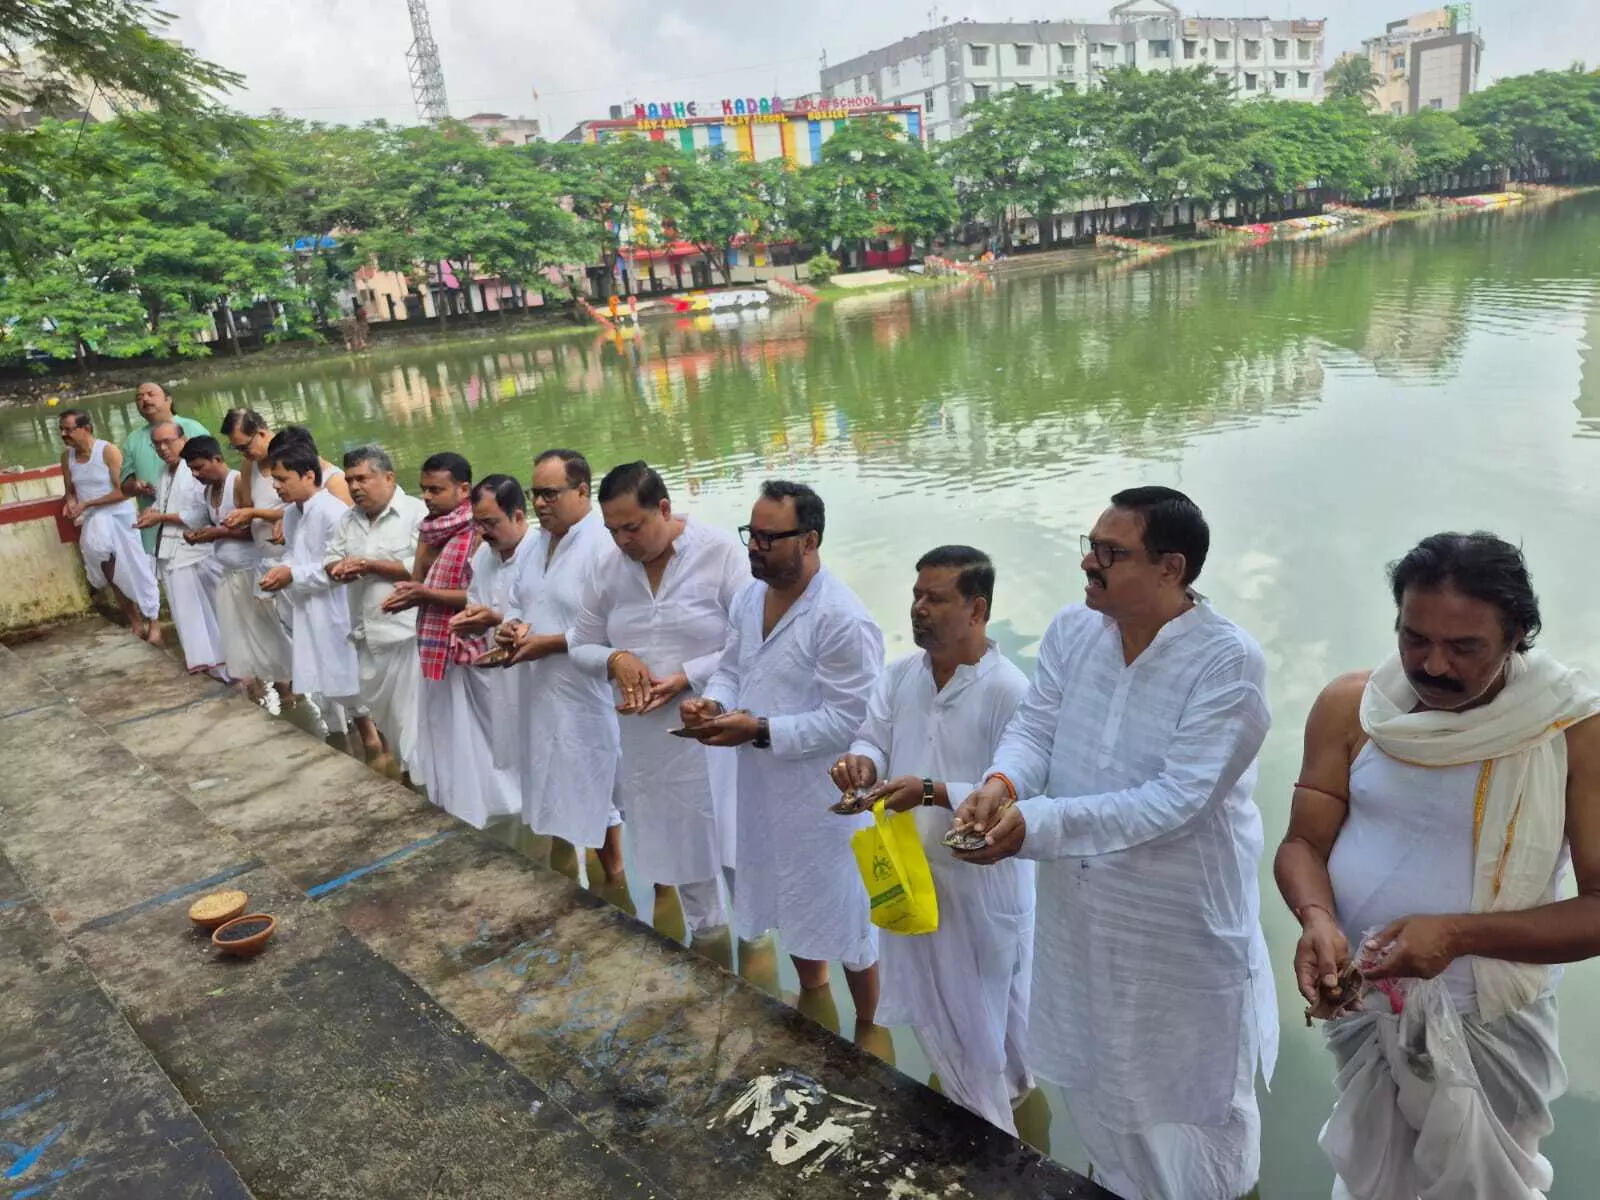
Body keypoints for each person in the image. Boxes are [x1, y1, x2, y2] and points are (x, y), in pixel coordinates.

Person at [953, 486, 1276, 1200]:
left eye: (1110, 553)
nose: (1090, 565)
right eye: (1090, 547)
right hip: (1083, 916)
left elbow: (1179, 800)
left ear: (1171, 567)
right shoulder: (1075, 631)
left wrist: (1037, 824)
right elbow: (1037, 726)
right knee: (1100, 1087)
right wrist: (1002, 783)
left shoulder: (1227, 664)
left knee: (1193, 1112)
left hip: (1178, 931)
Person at [1277, 532, 1600, 1200]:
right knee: (1371, 1182)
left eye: (1464, 648)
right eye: (1415, 638)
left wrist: (1455, 937)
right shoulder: (1355, 708)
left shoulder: (1570, 732)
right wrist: (1317, 920)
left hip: (1490, 1026)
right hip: (1362, 1004)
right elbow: (1302, 845)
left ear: (1517, 635)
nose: (1435, 666)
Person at [830, 545, 1033, 1134]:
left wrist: (930, 791)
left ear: (976, 609)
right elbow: (872, 736)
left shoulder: (1008, 691)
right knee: (951, 1027)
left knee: (990, 1028)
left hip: (983, 890)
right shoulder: (900, 677)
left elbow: (1020, 794)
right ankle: (993, 1128)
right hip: (914, 879)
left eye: (935, 598)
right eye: (917, 595)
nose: (919, 608)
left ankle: (999, 1142)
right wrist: (860, 765)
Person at [681, 481, 885, 1029]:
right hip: (761, 785)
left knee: (849, 926)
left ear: (810, 540)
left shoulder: (842, 618)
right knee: (787, 901)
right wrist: (713, 702)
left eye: (770, 538)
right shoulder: (751, 598)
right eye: (752, 534)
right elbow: (730, 666)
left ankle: (870, 1029)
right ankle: (814, 1006)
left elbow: (852, 719)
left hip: (824, 798)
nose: (754, 547)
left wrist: (762, 728)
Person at [566, 461, 748, 939]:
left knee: (736, 855)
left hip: (716, 732)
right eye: (612, 530)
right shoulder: (607, 568)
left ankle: (756, 952)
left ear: (663, 509)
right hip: (650, 744)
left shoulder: (720, 553)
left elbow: (752, 639)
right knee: (685, 864)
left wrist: (687, 676)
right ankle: (709, 946)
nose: (623, 540)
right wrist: (616, 658)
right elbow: (579, 645)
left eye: (633, 527)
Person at [500, 450, 626, 881]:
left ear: (582, 491)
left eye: (550, 494)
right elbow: (518, 599)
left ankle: (617, 883)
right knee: (550, 784)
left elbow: (614, 627)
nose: (539, 504)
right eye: (535, 494)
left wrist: (550, 644)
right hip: (539, 688)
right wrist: (512, 627)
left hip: (588, 692)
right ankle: (566, 881)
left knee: (598, 789)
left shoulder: (604, 545)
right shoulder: (536, 543)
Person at [382, 452, 501, 826]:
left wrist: (427, 596)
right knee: (444, 728)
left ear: (463, 489)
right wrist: (411, 594)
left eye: (437, 489)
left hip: (470, 648)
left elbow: (482, 595)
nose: (429, 497)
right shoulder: (429, 529)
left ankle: (493, 803)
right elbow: (420, 579)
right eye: (424, 490)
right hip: (433, 644)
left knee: (480, 731)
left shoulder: (480, 531)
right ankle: (455, 799)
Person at [421, 473, 524, 827]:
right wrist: (475, 617)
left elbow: (543, 616)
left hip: (532, 671)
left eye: (491, 523)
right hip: (493, 667)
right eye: (478, 524)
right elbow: (477, 599)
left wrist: (495, 617)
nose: (483, 533)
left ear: (519, 516)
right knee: (505, 750)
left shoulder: (537, 554)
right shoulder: (484, 558)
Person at [325, 445, 428, 776]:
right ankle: (413, 779)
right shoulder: (347, 520)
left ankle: (427, 785)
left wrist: (372, 565)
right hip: (366, 638)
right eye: (350, 480)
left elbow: (424, 568)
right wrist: (338, 568)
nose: (355, 487)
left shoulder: (417, 514)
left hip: (407, 638)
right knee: (390, 724)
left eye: (363, 479)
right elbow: (330, 557)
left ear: (388, 477)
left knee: (415, 724)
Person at [257, 438, 364, 740]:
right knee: (321, 674)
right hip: (307, 605)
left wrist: (292, 573)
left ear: (308, 475)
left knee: (346, 674)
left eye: (282, 479)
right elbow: (295, 555)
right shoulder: (292, 513)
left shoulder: (332, 511)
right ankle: (338, 730)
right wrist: (281, 571)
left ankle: (366, 735)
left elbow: (340, 567)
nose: (277, 487)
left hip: (335, 605)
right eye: (274, 480)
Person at [181, 435, 293, 711]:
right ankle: (262, 689)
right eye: (192, 470)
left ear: (217, 459)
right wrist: (201, 536)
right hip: (229, 575)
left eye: (199, 468)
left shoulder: (237, 482)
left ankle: (289, 690)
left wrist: (216, 532)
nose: (196, 475)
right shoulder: (208, 492)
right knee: (243, 638)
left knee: (271, 635)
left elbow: (251, 530)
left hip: (252, 570)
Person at [57, 409, 162, 644]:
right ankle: (135, 622)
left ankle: (154, 622)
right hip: (93, 522)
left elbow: (123, 492)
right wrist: (71, 503)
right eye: (61, 430)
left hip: (119, 518)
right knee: (112, 574)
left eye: (69, 429)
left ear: (86, 428)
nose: (64, 434)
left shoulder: (107, 451)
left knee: (137, 569)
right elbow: (70, 491)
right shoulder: (67, 457)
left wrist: (88, 503)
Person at [133, 421, 225, 677]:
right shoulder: (165, 472)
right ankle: (209, 664)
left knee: (212, 613)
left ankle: (227, 665)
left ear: (182, 440)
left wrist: (160, 518)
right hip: (171, 552)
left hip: (197, 552)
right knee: (188, 614)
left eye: (168, 442)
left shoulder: (195, 470)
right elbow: (167, 504)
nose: (163, 448)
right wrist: (154, 511)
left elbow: (201, 514)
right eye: (157, 444)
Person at [118, 382, 210, 556]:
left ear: (168, 400)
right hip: (153, 524)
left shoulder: (192, 428)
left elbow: (214, 469)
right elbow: (124, 486)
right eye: (139, 397)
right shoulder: (133, 439)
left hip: (194, 521)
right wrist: (136, 486)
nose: (144, 399)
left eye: (151, 394)